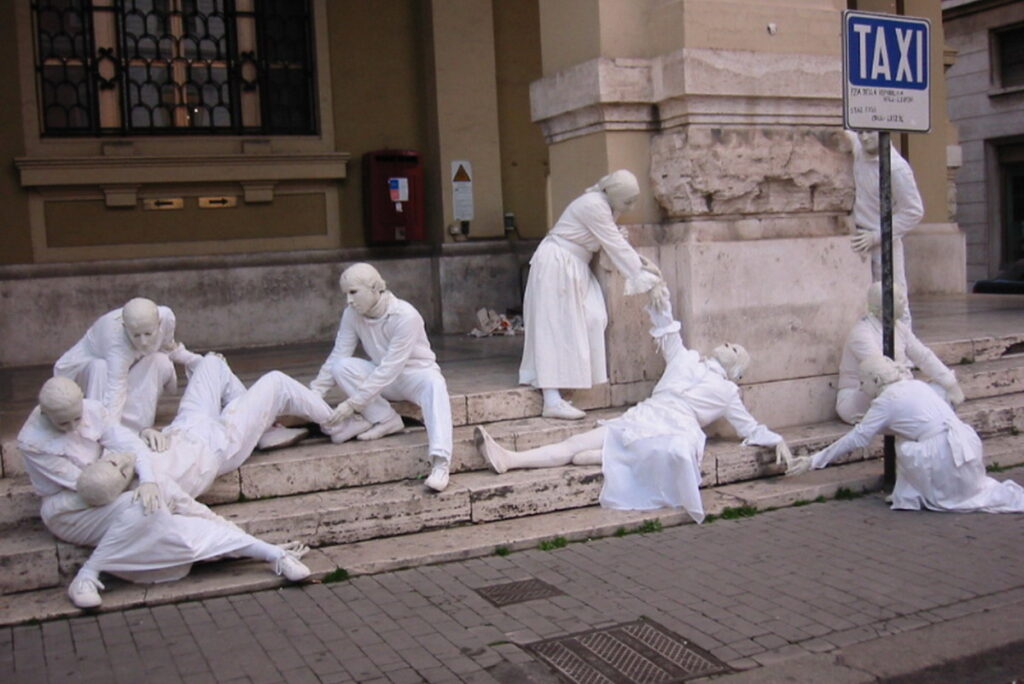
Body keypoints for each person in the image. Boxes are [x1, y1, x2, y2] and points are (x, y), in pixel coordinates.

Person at [478, 284, 792, 524]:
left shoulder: (727, 392)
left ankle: (603, 457)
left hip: (675, 429)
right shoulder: (685, 358)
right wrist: (658, 296)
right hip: (645, 414)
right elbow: (667, 327)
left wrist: (775, 439)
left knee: (667, 450)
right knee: (575, 442)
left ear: (736, 371)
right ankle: (511, 458)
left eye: (736, 349)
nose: (729, 344)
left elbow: (749, 426)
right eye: (728, 342)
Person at [17, 377, 311, 609]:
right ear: (45, 413)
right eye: (63, 423)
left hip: (114, 483)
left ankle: (274, 555)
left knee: (168, 512)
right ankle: (88, 575)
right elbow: (93, 487)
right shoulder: (33, 442)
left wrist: (146, 479)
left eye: (76, 418)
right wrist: (128, 468)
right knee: (148, 508)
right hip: (73, 508)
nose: (73, 427)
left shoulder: (92, 410)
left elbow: (131, 445)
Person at [789, 355, 1024, 514]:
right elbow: (917, 420)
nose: (861, 388)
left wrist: (813, 460)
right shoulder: (917, 385)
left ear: (877, 381)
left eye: (862, 382)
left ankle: (911, 495)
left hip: (944, 458)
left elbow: (858, 438)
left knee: (904, 445)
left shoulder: (886, 400)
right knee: (907, 437)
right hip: (965, 447)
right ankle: (915, 492)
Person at [518, 170, 661, 420]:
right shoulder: (593, 205)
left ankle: (567, 386)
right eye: (628, 201)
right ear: (614, 195)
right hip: (558, 263)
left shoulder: (605, 207)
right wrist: (648, 281)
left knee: (594, 317)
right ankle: (551, 398)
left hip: (575, 266)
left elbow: (613, 243)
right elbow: (615, 245)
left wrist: (644, 268)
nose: (632, 206)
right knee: (554, 327)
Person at [313, 263, 453, 492]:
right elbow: (339, 354)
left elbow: (391, 367)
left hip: (415, 376)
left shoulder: (405, 315)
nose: (348, 300)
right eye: (346, 294)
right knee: (342, 366)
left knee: (435, 386)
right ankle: (386, 419)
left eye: (353, 292)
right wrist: (314, 393)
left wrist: (353, 404)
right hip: (383, 376)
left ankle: (440, 461)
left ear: (375, 288)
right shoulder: (351, 314)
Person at [145, 352, 356, 498]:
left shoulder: (124, 459)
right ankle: (337, 425)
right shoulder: (156, 492)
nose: (114, 466)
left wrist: (145, 432)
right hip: (217, 443)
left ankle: (264, 430)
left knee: (212, 362)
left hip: (184, 426)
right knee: (277, 382)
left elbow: (122, 440)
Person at [54, 298, 203, 433]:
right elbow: (115, 389)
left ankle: (136, 423)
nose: (143, 342)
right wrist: (113, 437)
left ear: (158, 323)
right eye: (136, 335)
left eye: (148, 334)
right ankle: (99, 427)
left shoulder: (167, 317)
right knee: (99, 366)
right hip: (83, 381)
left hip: (123, 375)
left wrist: (200, 361)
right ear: (125, 328)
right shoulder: (116, 342)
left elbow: (169, 347)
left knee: (160, 360)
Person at [836, 282, 963, 424]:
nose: (904, 302)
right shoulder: (861, 333)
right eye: (900, 298)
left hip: (899, 389)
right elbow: (881, 373)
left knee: (941, 392)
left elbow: (923, 356)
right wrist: (914, 388)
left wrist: (950, 383)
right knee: (920, 400)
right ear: (886, 305)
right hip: (859, 397)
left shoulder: (899, 327)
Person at [847, 130, 924, 327]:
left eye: (869, 132)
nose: (864, 138)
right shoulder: (859, 147)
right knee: (865, 303)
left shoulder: (897, 168)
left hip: (883, 243)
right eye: (860, 132)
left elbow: (913, 211)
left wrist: (877, 236)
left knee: (894, 301)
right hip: (857, 239)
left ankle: (902, 352)